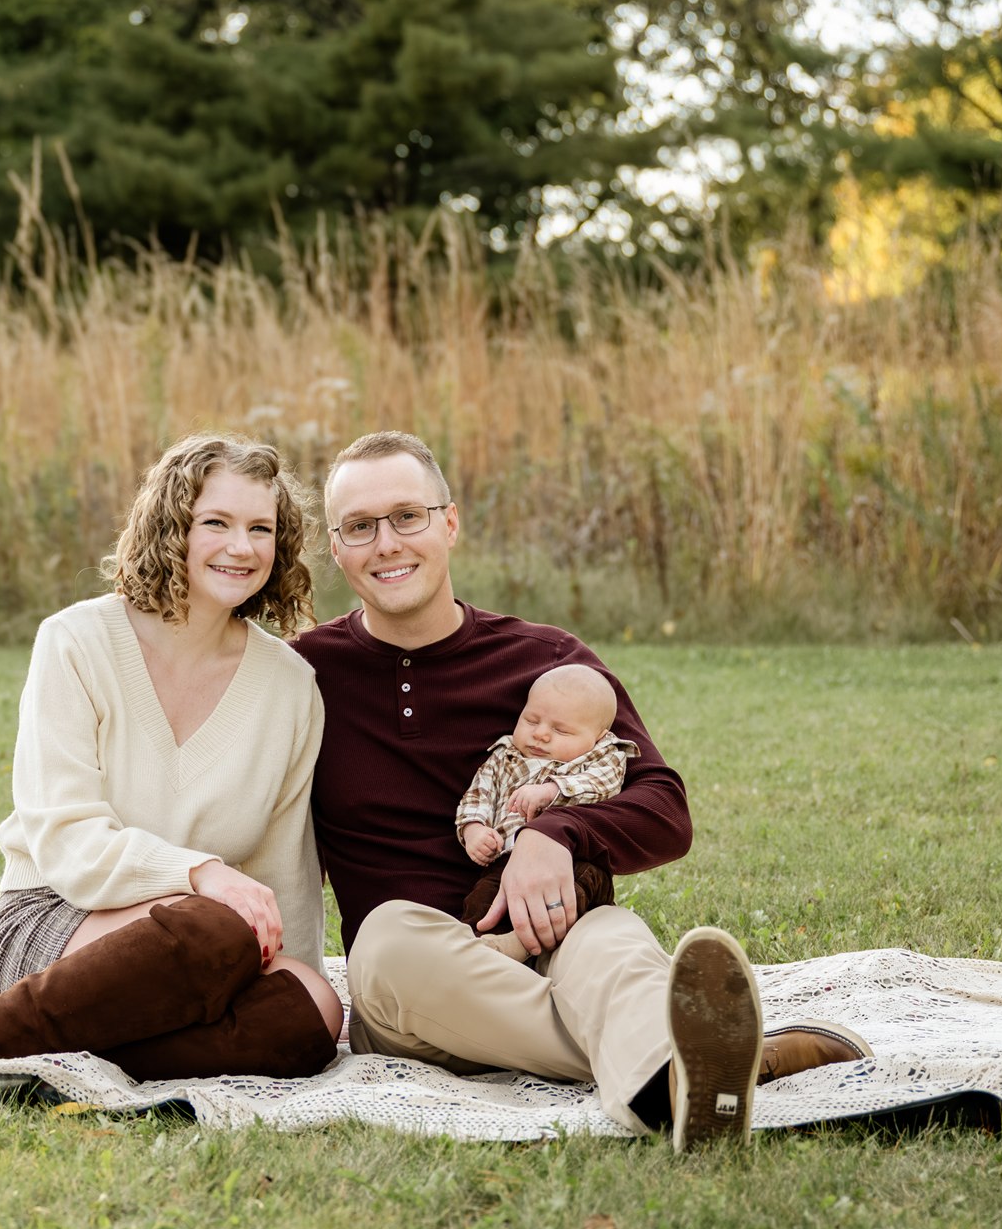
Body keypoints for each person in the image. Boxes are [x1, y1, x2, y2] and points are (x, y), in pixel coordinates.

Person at [290, 431, 869, 1150]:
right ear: (337, 548)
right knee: (384, 942)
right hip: (422, 988)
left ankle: (669, 1086)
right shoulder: (303, 677)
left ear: (450, 522)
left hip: (564, 939)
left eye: (408, 515)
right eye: (359, 526)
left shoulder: (547, 661)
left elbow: (664, 808)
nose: (386, 543)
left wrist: (556, 833)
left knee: (613, 939)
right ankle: (698, 1058)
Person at [0, 434, 344, 1085]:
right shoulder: (76, 642)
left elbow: (281, 870)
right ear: (171, 526)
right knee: (218, 927)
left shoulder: (290, 686)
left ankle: (24, 1056)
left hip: (205, 947)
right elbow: (67, 840)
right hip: (58, 917)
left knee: (315, 1009)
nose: (241, 547)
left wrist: (293, 977)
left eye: (260, 528)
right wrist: (200, 874)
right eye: (215, 522)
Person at [455, 663, 633, 961]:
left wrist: (552, 790)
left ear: (599, 736)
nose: (540, 734)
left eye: (560, 730)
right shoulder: (505, 757)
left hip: (576, 860)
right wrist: (474, 829)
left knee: (576, 889)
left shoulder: (602, 755)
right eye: (531, 720)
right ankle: (476, 950)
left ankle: (521, 944)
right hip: (508, 863)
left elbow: (604, 784)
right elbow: (478, 795)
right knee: (483, 901)